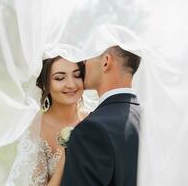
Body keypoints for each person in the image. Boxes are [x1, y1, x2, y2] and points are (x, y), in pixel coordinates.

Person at [61, 45, 142, 186]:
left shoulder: (91, 129)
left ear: (106, 61)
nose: (83, 63)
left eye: (88, 58)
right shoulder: (149, 119)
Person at [6, 56, 87, 186]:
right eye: (60, 78)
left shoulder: (94, 118)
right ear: (44, 84)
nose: (71, 84)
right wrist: (66, 156)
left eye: (77, 75)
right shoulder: (35, 130)